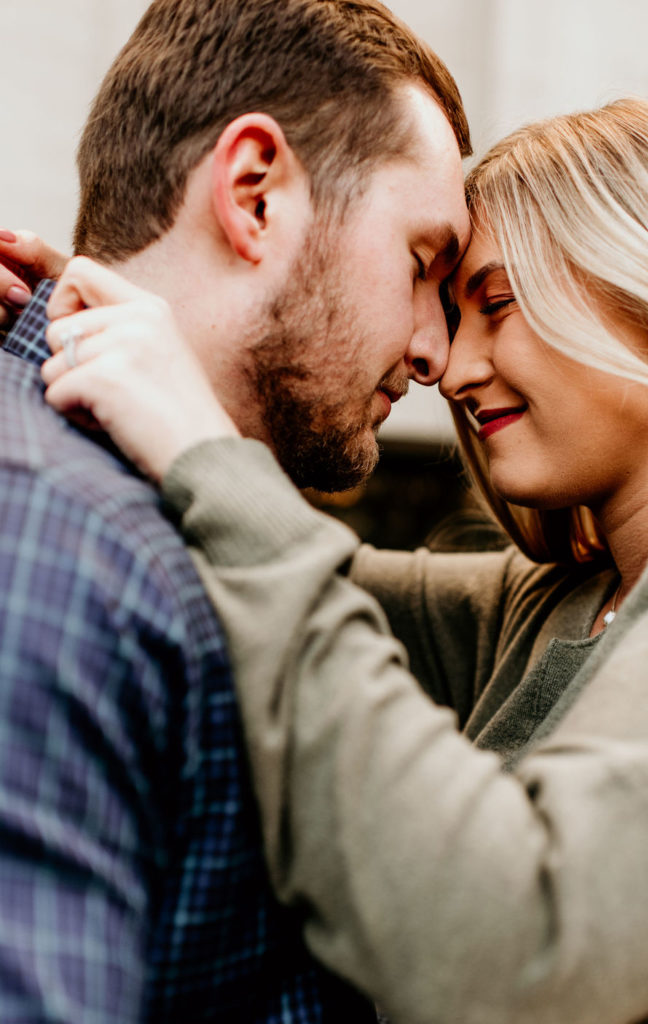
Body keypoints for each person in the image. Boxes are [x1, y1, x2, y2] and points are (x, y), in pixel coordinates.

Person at [34, 96, 648, 1024]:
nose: (450, 367)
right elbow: (272, 580)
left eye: (495, 301)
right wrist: (124, 316)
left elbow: (517, 949)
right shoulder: (562, 607)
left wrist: (203, 446)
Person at [0, 0, 472, 1020]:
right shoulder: (55, 540)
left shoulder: (139, 516)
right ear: (254, 195)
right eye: (422, 263)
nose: (437, 353)